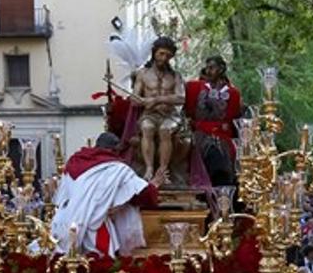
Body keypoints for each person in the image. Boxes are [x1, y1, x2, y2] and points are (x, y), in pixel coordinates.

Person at [49, 132, 158, 257]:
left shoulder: (73, 163)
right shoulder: (117, 168)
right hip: (95, 227)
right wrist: (154, 185)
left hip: (63, 222)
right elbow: (144, 193)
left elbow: (60, 197)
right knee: (100, 266)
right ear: (113, 150)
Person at [130, 36, 186, 187]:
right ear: (154, 52)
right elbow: (134, 99)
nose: (164, 58)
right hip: (150, 114)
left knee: (165, 130)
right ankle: (149, 169)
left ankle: (163, 170)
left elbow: (181, 98)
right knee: (147, 127)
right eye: (161, 54)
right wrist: (141, 101)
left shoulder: (175, 76)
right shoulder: (142, 74)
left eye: (168, 56)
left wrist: (156, 100)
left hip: (170, 115)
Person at [182, 55, 241, 186]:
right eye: (207, 68)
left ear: (221, 69)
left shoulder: (233, 93)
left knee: (221, 151)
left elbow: (232, 119)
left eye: (212, 68)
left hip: (223, 135)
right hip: (200, 132)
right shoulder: (196, 88)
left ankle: (223, 188)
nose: (208, 71)